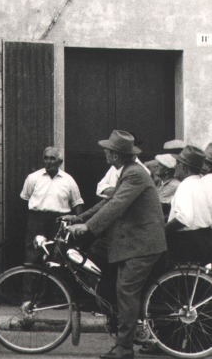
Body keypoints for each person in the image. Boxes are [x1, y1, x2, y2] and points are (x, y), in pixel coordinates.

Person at [66, 130, 166, 359]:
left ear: (116, 155)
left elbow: (116, 205)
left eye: (108, 150)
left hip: (143, 244)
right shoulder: (128, 171)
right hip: (134, 243)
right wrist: (80, 218)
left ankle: (124, 348)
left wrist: (88, 227)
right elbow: (109, 201)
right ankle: (124, 340)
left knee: (126, 291)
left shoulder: (135, 175)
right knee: (121, 289)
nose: (104, 152)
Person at [19, 146, 84, 267]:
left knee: (56, 258)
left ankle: (53, 286)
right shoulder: (33, 178)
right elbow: (24, 200)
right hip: (37, 221)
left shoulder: (68, 180)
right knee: (32, 257)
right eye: (46, 158)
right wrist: (28, 222)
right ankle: (30, 285)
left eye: (52, 158)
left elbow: (77, 203)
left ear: (60, 162)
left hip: (58, 223)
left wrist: (77, 223)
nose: (48, 162)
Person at [166, 144, 211, 265]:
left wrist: (164, 229)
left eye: (178, 163)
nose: (175, 166)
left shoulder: (185, 186)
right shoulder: (202, 184)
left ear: (184, 167)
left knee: (182, 279)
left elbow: (184, 218)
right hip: (205, 238)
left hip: (187, 242)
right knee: (200, 279)